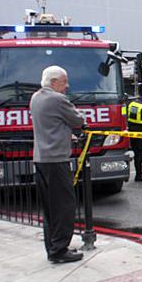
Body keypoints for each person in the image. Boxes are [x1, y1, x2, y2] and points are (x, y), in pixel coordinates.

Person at [30, 66, 85, 264]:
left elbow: (50, 125)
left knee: (50, 208)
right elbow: (78, 120)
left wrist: (63, 132)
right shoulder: (57, 99)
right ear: (53, 82)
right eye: (64, 81)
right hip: (57, 160)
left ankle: (52, 247)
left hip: (41, 159)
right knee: (65, 206)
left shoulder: (36, 98)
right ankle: (60, 250)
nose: (67, 86)